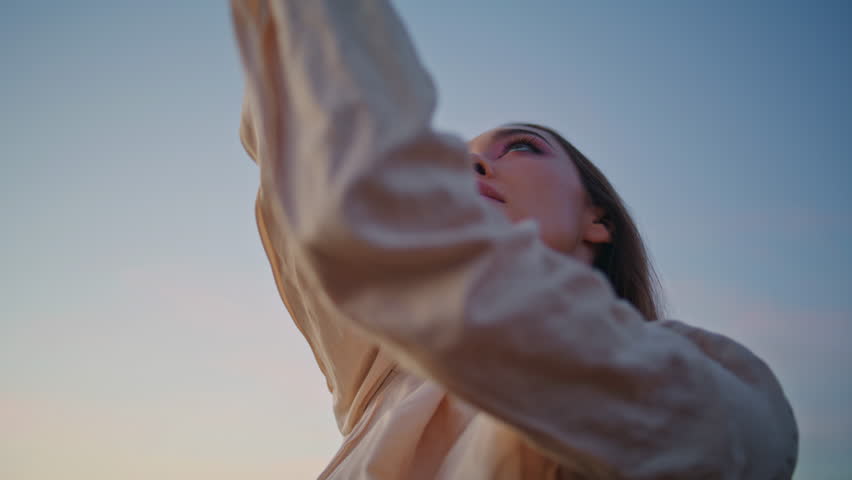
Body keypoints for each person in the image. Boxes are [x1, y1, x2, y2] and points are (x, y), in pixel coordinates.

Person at [230, 1, 798, 478]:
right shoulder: (384, 377)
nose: (473, 168)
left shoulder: (721, 391)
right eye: (462, 159)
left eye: (521, 147)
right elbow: (306, 148)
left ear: (597, 218)